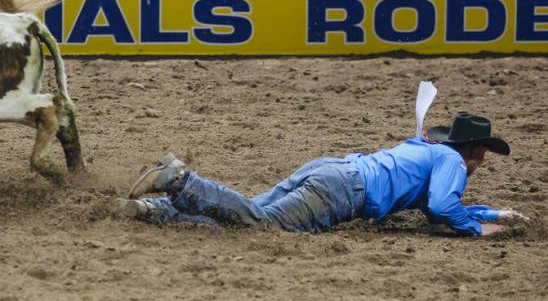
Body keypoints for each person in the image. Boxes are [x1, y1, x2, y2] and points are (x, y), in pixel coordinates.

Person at [115, 112, 527, 237]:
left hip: (334, 169)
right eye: (480, 158)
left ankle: (154, 211)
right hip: (345, 191)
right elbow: (441, 206)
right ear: (472, 151)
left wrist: (488, 214)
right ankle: (181, 182)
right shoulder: (453, 163)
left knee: (247, 214)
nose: (476, 167)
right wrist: (478, 229)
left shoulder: (429, 149)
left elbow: (439, 210)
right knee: (264, 225)